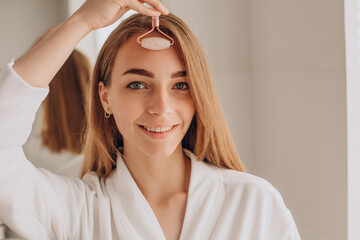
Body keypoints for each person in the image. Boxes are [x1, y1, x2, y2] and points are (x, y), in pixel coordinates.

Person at [0, 0, 301, 239]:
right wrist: (82, 22)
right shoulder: (78, 212)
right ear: (105, 97)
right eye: (137, 84)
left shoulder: (254, 204)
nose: (161, 106)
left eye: (180, 85)